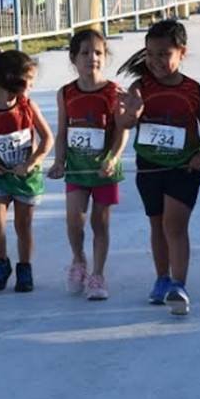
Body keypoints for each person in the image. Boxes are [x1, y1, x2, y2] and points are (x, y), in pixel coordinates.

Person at [117, 19, 200, 316]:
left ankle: (179, 283)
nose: (156, 61)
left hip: (184, 167)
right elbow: (124, 123)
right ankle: (161, 278)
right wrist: (131, 115)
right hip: (149, 166)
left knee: (175, 225)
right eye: (150, 54)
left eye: (164, 54)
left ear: (181, 52)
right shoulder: (140, 87)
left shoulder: (194, 90)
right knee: (157, 224)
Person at [47, 29, 128, 301]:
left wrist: (112, 158)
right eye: (85, 53)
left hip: (104, 171)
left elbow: (121, 131)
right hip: (77, 169)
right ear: (73, 58)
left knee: (100, 223)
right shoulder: (66, 93)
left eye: (98, 53)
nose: (92, 58)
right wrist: (59, 161)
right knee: (74, 221)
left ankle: (98, 274)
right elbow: (62, 131)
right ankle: (79, 260)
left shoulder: (113, 92)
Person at [0, 48, 53, 292]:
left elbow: (47, 139)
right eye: (28, 81)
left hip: (25, 177)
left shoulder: (27, 106)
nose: (31, 86)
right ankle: (1, 264)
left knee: (23, 225)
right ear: (9, 78)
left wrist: (30, 163)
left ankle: (24, 268)